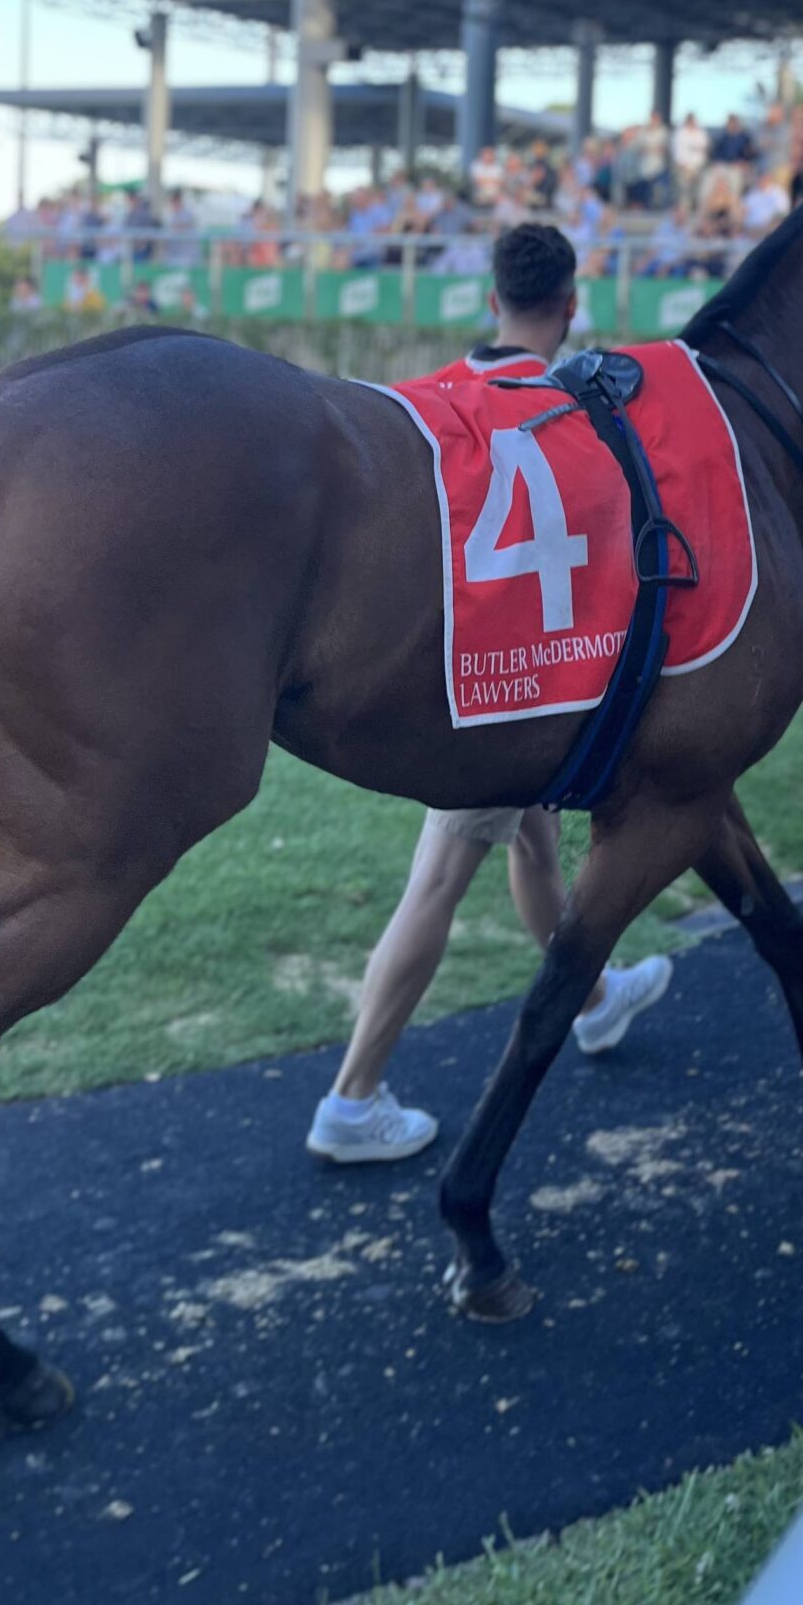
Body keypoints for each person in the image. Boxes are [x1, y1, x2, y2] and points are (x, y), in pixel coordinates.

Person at [307, 222, 673, 1164]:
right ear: (572, 304)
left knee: (540, 850)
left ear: (491, 300)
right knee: (438, 879)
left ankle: (594, 999)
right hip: (514, 685)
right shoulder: (579, 406)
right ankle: (352, 1097)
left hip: (474, 672)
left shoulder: (434, 397)